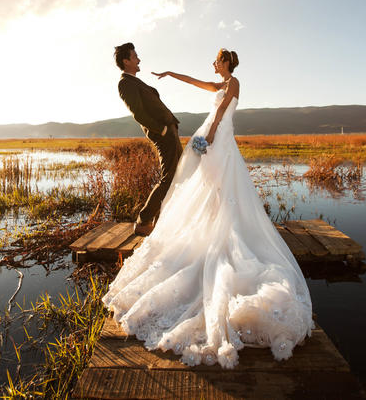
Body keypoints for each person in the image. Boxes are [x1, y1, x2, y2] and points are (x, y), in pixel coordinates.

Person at [103, 49, 314, 369]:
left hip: (219, 138)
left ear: (227, 63)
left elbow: (221, 113)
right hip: (213, 137)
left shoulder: (233, 84)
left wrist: (210, 137)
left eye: (217, 61)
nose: (214, 65)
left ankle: (219, 229)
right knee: (205, 188)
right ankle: (203, 224)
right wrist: (172, 75)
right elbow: (196, 82)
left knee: (218, 187)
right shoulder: (219, 84)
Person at [114, 42, 183, 236]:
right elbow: (138, 113)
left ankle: (159, 220)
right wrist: (161, 130)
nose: (139, 59)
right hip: (163, 134)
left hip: (170, 130)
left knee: (179, 175)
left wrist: (170, 127)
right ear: (126, 61)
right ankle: (143, 221)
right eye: (135, 56)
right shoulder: (125, 83)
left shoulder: (136, 81)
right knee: (169, 178)